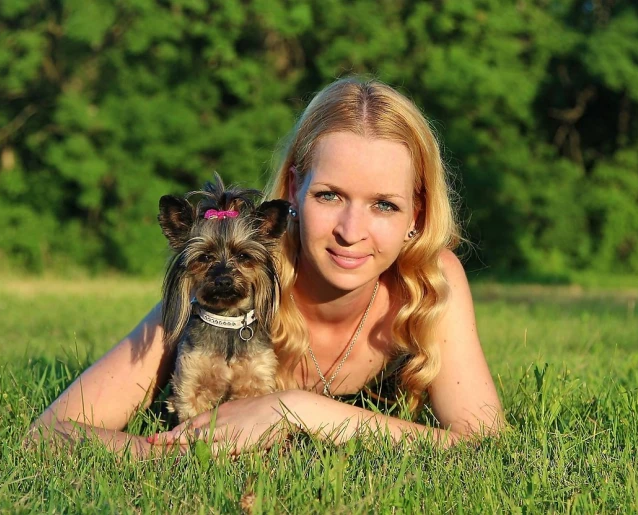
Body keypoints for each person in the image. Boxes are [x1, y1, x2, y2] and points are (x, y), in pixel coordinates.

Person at [28, 77, 505, 457]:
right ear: (294, 188)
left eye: (383, 205)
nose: (351, 229)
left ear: (417, 213)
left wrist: (294, 408)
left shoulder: (429, 282)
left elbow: (483, 441)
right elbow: (50, 434)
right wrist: (171, 455)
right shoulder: (240, 275)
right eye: (330, 195)